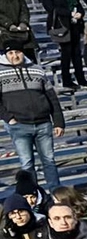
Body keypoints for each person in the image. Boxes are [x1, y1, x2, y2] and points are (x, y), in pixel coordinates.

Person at [0, 41, 65, 187]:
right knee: (27, 164)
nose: (15, 56)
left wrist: (59, 122)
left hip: (43, 124)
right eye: (11, 53)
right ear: (5, 55)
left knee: (49, 161)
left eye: (18, 52)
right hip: (19, 125)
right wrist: (8, 118)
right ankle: (33, 195)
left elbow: (52, 97)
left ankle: (56, 194)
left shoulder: (37, 69)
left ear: (23, 53)